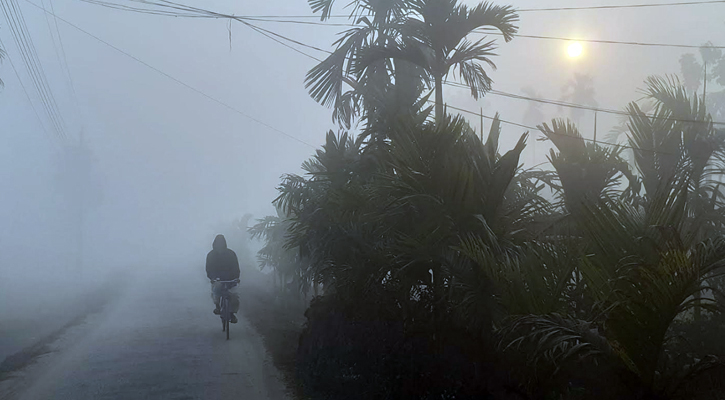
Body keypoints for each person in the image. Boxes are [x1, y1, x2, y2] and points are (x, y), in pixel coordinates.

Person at [206, 234, 240, 323]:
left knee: (234, 296)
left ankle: (232, 313)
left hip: (231, 279)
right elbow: (209, 268)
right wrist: (212, 278)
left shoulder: (231, 254)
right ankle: (217, 306)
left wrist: (236, 277)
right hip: (217, 279)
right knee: (216, 291)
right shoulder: (211, 255)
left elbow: (236, 267)